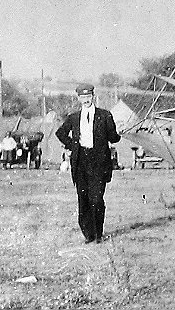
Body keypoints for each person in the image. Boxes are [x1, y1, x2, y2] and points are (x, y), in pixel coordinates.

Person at [56, 83, 121, 244]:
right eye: (82, 97)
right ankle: (88, 234)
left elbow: (113, 137)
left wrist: (118, 134)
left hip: (99, 162)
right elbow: (61, 133)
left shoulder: (105, 115)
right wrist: (73, 145)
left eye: (88, 97)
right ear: (78, 98)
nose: (86, 100)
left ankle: (98, 233)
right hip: (80, 162)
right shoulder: (74, 117)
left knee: (97, 198)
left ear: (93, 96)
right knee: (83, 198)